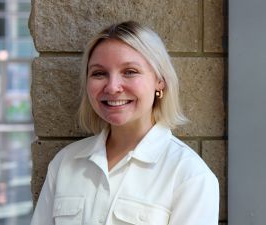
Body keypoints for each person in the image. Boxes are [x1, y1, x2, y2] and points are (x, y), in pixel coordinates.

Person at [30, 21, 219, 225]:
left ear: (160, 81)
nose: (112, 87)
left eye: (130, 71)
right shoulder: (65, 163)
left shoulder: (189, 175)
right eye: (99, 73)